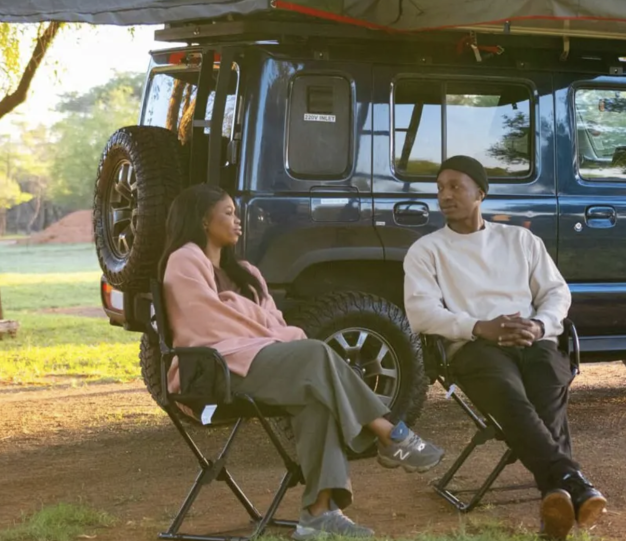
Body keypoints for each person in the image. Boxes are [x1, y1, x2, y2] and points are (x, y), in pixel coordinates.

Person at [159, 184, 445, 540]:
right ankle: (390, 433)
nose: (237, 220)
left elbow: (274, 324)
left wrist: (239, 305)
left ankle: (319, 514)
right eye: (228, 213)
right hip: (214, 371)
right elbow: (206, 323)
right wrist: (250, 315)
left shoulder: (247, 272)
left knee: (316, 400)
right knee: (315, 352)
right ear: (203, 220)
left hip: (258, 360)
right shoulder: (184, 260)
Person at [403, 155, 607, 540]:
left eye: (455, 187)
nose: (445, 195)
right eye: (440, 188)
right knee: (511, 398)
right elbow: (421, 313)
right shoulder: (427, 250)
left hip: (533, 340)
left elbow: (556, 293)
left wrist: (538, 325)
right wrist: (481, 327)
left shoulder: (520, 239)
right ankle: (572, 483)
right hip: (474, 346)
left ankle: (558, 491)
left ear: (480, 193)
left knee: (547, 391)